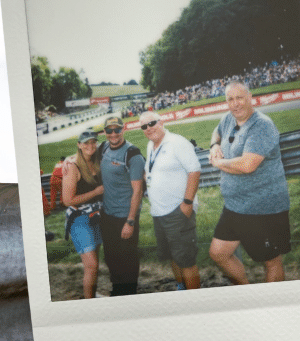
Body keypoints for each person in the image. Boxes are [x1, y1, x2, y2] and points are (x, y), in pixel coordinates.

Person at [208, 81, 291, 284]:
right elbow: (217, 131)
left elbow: (247, 165)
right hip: (235, 206)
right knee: (218, 253)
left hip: (262, 208)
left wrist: (218, 163)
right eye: (230, 99)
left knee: (271, 261)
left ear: (250, 97)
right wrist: (213, 146)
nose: (235, 104)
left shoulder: (262, 125)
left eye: (239, 98)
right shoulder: (228, 119)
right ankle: (247, 291)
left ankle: (272, 308)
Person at [141, 111, 201, 290]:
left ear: (161, 122)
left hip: (177, 211)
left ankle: (194, 300)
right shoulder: (150, 146)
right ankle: (181, 288)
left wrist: (187, 204)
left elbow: (195, 171)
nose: (149, 128)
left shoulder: (177, 142)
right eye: (144, 126)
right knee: (173, 257)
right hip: (159, 213)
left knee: (186, 260)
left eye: (152, 123)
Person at [99, 117, 145, 296]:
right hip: (108, 215)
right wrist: (69, 160)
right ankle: (117, 290)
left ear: (123, 130)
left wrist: (131, 221)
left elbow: (138, 191)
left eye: (117, 130)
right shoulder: (103, 148)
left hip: (126, 216)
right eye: (109, 131)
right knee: (111, 256)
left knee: (127, 257)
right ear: (104, 132)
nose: (113, 134)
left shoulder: (132, 154)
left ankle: (129, 294)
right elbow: (83, 155)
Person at [62, 130, 104, 299]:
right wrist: (96, 192)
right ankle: (89, 303)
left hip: (98, 216)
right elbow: (68, 200)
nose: (90, 146)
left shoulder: (97, 160)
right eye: (85, 143)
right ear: (79, 145)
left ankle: (92, 294)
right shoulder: (73, 166)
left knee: (95, 262)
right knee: (91, 265)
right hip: (80, 219)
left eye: (93, 142)